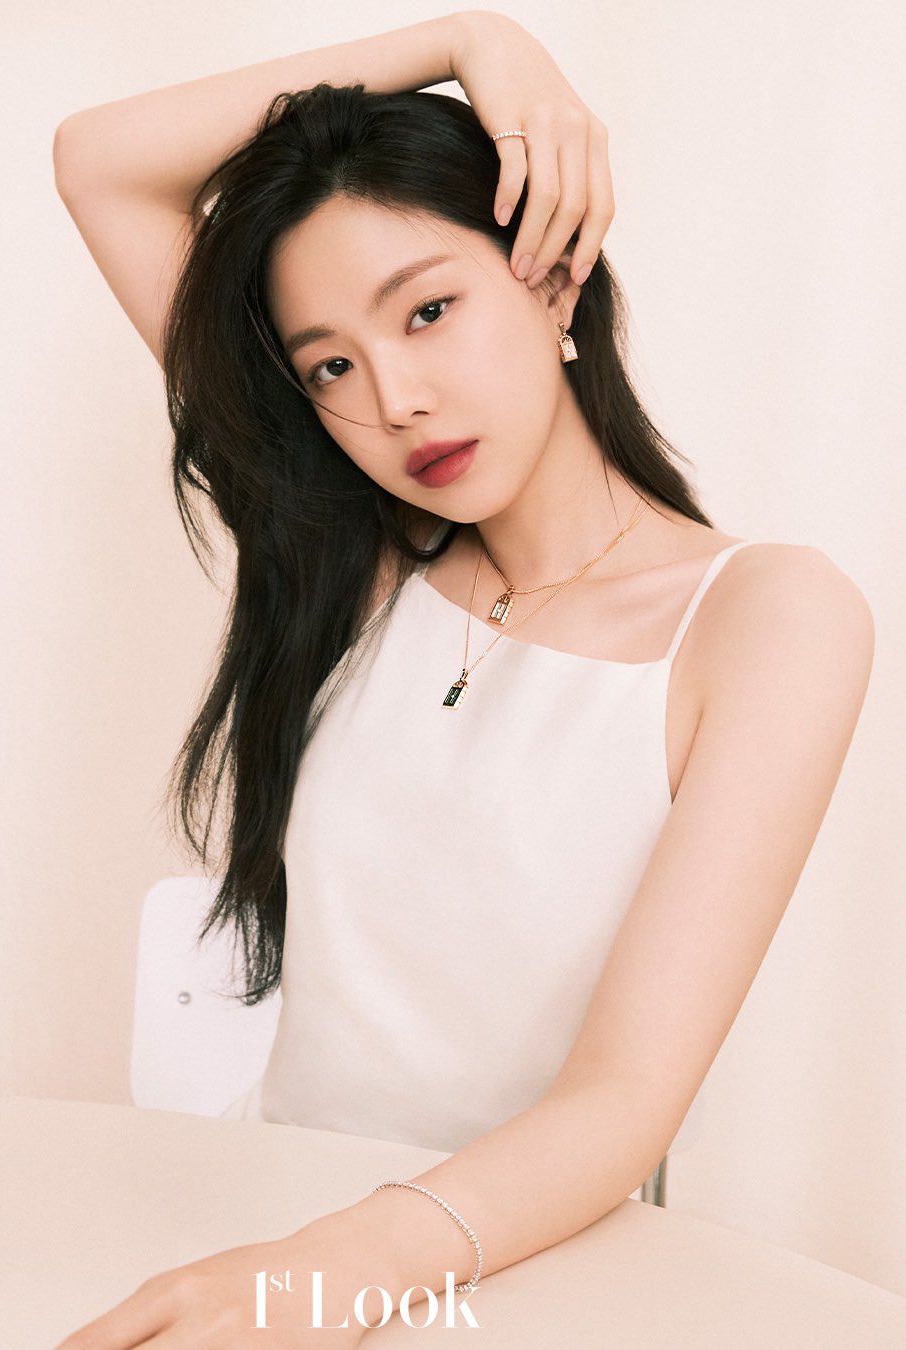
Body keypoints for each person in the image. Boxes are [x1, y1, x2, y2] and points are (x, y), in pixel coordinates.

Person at [51, 12, 874, 1346]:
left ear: (552, 280)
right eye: (330, 364)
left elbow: (623, 1099)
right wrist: (465, 38)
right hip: (271, 1227)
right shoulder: (359, 564)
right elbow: (101, 162)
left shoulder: (766, 619)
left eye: (428, 310)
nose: (394, 399)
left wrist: (326, 1281)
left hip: (512, 1275)